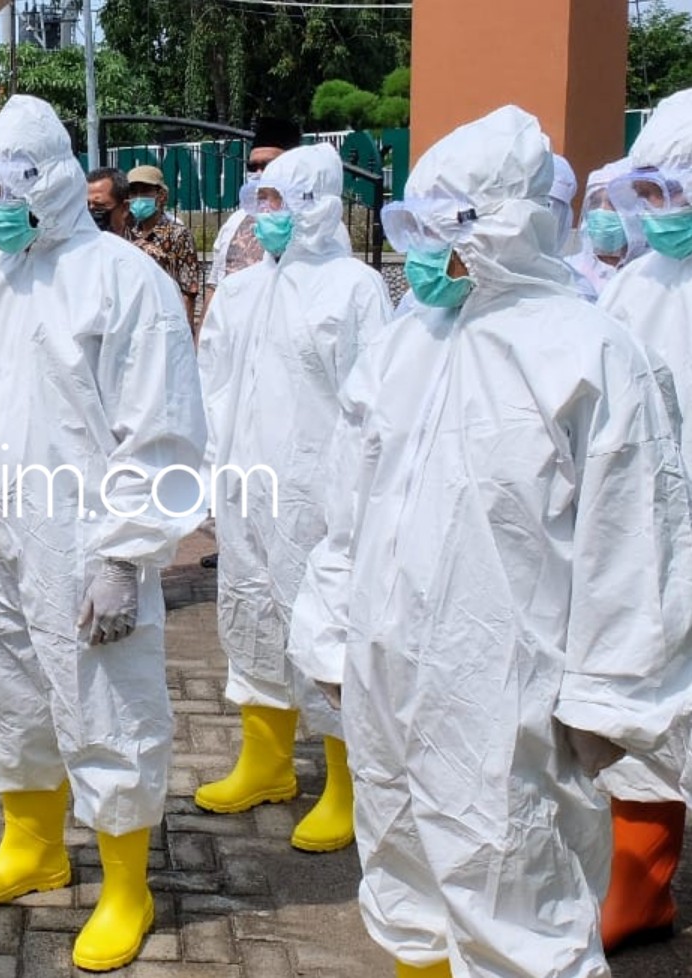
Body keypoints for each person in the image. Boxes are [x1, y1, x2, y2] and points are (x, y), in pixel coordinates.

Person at [290, 105, 692, 978]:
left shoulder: (590, 352)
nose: (425, 250)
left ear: (502, 225)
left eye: (443, 229)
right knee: (401, 873)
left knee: (521, 912)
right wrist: (327, 629)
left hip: (511, 694)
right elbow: (345, 513)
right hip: (388, 672)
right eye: (418, 226)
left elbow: (635, 543)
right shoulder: (401, 346)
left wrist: (609, 702)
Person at [0, 96, 208, 972]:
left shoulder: (125, 281)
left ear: (51, 184)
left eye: (8, 188)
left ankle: (127, 884)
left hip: (82, 543)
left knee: (105, 704)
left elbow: (160, 427)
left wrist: (126, 553)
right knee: (7, 690)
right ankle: (33, 846)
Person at [192, 144, 390, 854]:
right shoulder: (243, 288)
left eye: (279, 201)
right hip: (245, 485)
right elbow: (210, 381)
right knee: (248, 613)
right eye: (261, 201)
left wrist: (358, 496)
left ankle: (347, 782)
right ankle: (268, 762)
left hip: (317, 493)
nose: (266, 215)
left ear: (317, 203)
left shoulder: (354, 288)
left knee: (325, 627)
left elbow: (373, 402)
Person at [592, 90, 692, 954]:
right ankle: (642, 882)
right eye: (652, 192)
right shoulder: (634, 289)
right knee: (648, 703)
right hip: (655, 533)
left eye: (677, 194)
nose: (662, 213)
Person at [203, 118, 303, 319]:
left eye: (267, 165)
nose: (259, 173)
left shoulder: (312, 223)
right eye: (252, 167)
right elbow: (215, 288)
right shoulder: (234, 223)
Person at [123, 165, 204, 330]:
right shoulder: (126, 235)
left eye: (145, 191)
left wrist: (186, 336)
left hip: (165, 324)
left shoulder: (177, 235)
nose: (138, 198)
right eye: (133, 192)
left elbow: (188, 291)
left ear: (161, 196)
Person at [567, 157, 647, 299]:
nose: (601, 211)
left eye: (613, 203)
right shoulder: (570, 270)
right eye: (595, 202)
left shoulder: (651, 272)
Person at [86, 166, 129, 235]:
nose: (91, 213)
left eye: (99, 206)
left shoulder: (134, 245)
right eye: (86, 205)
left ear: (124, 208)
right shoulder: (76, 244)